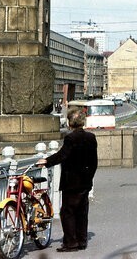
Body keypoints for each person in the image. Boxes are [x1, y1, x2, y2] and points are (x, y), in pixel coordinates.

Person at [36, 108, 98, 252]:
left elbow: (62, 155)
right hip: (85, 181)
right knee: (82, 212)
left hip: (71, 182)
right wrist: (89, 178)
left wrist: (46, 161)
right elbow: (94, 162)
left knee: (68, 212)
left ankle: (71, 243)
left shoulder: (70, 138)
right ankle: (82, 241)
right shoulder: (91, 137)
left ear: (70, 123)